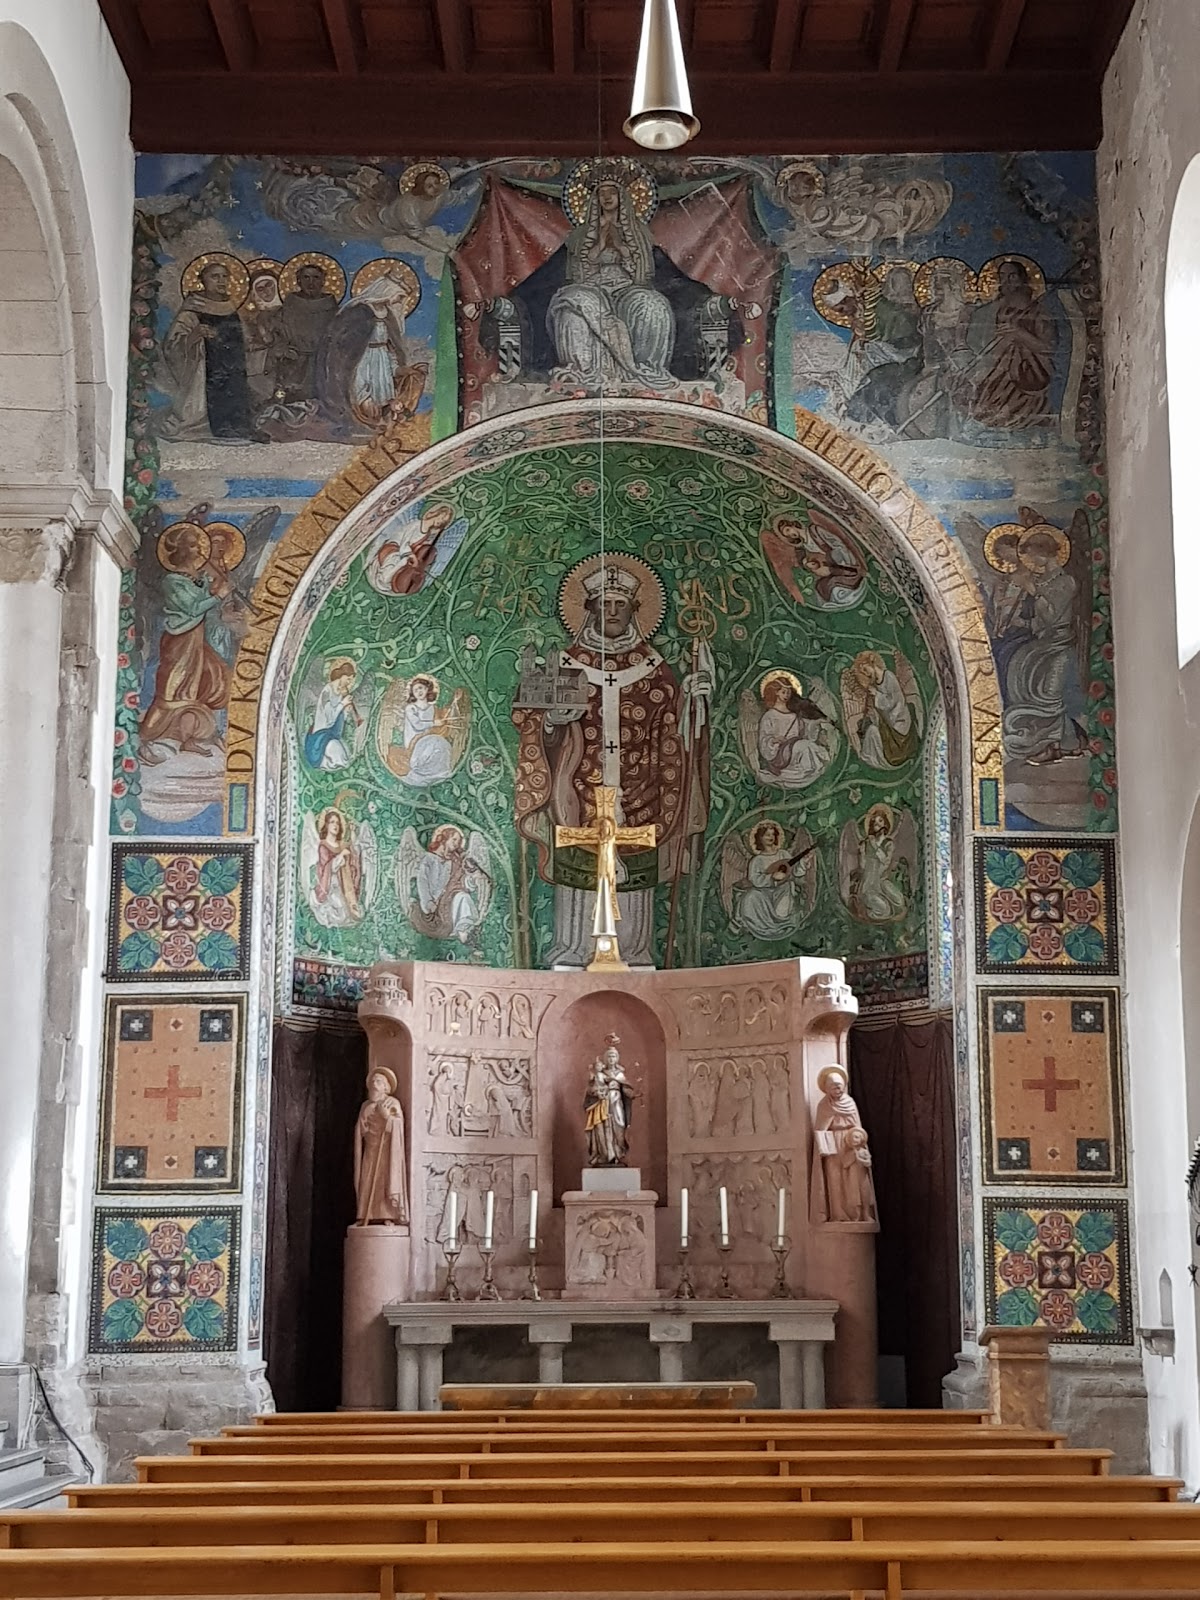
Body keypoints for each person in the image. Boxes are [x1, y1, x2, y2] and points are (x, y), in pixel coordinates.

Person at [513, 560, 711, 967]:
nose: (614, 612)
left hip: (642, 788)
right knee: (579, 858)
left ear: (634, 611)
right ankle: (572, 950)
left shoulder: (654, 668)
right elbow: (533, 723)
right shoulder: (565, 664)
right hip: (578, 787)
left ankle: (635, 952)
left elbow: (673, 725)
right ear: (591, 609)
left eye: (621, 604)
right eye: (605, 604)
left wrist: (692, 700)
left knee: (636, 861)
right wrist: (552, 722)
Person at [548, 178, 675, 390]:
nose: (607, 197)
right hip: (592, 288)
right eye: (602, 193)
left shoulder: (638, 232)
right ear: (594, 199)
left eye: (612, 193)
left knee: (653, 305)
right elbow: (579, 273)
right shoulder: (581, 234)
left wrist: (620, 246)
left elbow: (641, 274)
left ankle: (644, 369)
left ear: (622, 198)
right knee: (571, 304)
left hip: (627, 288)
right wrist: (600, 243)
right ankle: (582, 372)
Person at [140, 523, 234, 761]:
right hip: (179, 640)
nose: (198, 549)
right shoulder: (172, 581)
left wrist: (212, 586)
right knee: (173, 689)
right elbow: (192, 608)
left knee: (210, 680)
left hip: (196, 639)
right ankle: (154, 738)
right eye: (192, 545)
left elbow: (202, 601)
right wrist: (217, 596)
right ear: (180, 550)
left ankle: (191, 737)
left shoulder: (193, 578)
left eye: (198, 544)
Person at [999, 524, 1086, 764]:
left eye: (1032, 554)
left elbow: (1052, 615)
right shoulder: (1043, 580)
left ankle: (1060, 742)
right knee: (1019, 671)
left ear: (1045, 553)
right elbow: (1034, 619)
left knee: (1048, 695)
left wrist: (1033, 591)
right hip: (1043, 642)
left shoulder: (1066, 582)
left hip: (1059, 641)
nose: (1030, 561)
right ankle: (1053, 741)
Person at [317, 267, 426, 435]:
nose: (400, 300)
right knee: (363, 395)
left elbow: (391, 346)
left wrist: (398, 368)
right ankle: (362, 418)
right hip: (361, 359)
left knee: (385, 397)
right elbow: (344, 345)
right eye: (399, 295)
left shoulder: (388, 315)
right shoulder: (359, 312)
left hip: (382, 359)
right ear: (387, 291)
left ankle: (380, 423)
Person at [162, 258, 254, 440]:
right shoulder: (193, 307)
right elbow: (172, 344)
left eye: (224, 276)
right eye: (215, 276)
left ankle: (237, 426)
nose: (221, 281)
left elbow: (242, 338)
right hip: (205, 369)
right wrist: (195, 335)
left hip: (232, 366)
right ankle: (210, 425)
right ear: (203, 280)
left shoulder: (230, 306)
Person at [967, 258, 1058, 432]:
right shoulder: (996, 311)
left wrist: (1020, 334)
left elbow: (1048, 347)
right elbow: (980, 342)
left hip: (1027, 373)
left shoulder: (1038, 312)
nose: (1007, 281)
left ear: (1023, 278)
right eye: (1002, 276)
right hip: (997, 370)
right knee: (984, 399)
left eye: (1012, 276)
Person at [402, 823, 492, 945]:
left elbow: (460, 882)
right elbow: (422, 882)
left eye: (458, 841)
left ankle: (464, 929)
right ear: (444, 838)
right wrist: (428, 902)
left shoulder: (456, 861)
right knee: (460, 897)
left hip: (450, 898)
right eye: (454, 839)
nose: (456, 844)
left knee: (463, 896)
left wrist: (473, 879)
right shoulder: (429, 859)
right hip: (435, 903)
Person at [810, 1066, 877, 1226]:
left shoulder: (850, 1103)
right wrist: (823, 1142)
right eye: (834, 1087)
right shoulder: (824, 1105)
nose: (838, 1090)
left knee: (856, 1180)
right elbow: (821, 1128)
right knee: (835, 1179)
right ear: (827, 1088)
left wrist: (858, 1143)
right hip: (832, 1145)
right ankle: (838, 1214)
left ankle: (860, 1214)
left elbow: (857, 1126)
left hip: (850, 1142)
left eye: (840, 1086)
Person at [732, 820, 814, 939]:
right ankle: (758, 927)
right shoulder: (757, 860)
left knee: (785, 897)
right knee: (750, 897)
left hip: (782, 890)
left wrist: (803, 863)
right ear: (760, 838)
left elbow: (794, 871)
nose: (770, 837)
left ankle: (781, 923)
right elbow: (755, 879)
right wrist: (772, 878)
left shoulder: (783, 854)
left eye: (773, 834)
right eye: (767, 835)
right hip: (763, 892)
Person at [277, 261, 340, 403]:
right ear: (298, 281)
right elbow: (280, 332)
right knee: (293, 401)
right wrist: (285, 349)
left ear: (323, 281)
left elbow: (338, 333)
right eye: (306, 277)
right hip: (295, 363)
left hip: (323, 361)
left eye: (316, 278)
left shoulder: (330, 305)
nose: (311, 282)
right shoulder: (290, 303)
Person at [756, 673, 834, 787]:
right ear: (776, 693)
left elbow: (805, 733)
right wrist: (774, 740)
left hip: (795, 748)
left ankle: (808, 771)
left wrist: (817, 722)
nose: (786, 695)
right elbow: (764, 739)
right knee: (804, 746)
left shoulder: (794, 715)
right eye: (783, 692)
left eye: (788, 692)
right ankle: (808, 770)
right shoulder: (769, 716)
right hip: (781, 754)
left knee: (807, 745)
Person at [369, 504, 464, 596]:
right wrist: (412, 556)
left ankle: (400, 579)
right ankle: (387, 576)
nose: (441, 521)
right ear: (436, 513)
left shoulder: (428, 534)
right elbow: (404, 544)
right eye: (442, 517)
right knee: (387, 577)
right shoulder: (416, 525)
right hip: (394, 549)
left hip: (407, 556)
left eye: (444, 521)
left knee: (410, 565)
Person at [846, 650, 920, 767]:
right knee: (870, 730)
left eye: (865, 669)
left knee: (872, 732)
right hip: (887, 722)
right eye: (863, 672)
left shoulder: (889, 677)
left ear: (872, 663)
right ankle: (868, 759)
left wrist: (877, 694)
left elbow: (896, 702)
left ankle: (873, 759)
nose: (866, 673)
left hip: (898, 722)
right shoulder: (875, 683)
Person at [353, 1068, 407, 1225]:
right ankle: (365, 1214)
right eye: (372, 1081)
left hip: (386, 1149)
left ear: (386, 1087)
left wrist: (386, 1116)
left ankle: (387, 1215)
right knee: (367, 1179)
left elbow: (398, 1124)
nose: (374, 1084)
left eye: (378, 1081)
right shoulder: (366, 1105)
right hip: (371, 1148)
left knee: (384, 1180)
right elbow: (361, 1128)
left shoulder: (392, 1103)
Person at [388, 675, 460, 786]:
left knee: (442, 744)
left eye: (421, 688)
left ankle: (439, 773)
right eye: (415, 690)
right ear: (412, 693)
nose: (419, 692)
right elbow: (418, 725)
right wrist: (433, 723)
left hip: (429, 738)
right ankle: (423, 772)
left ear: (427, 689)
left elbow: (445, 718)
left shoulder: (432, 708)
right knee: (436, 743)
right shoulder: (411, 708)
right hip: (415, 741)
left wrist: (455, 701)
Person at [583, 1035, 636, 1167]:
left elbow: (626, 1090)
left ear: (617, 1058)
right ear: (605, 1058)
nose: (611, 1059)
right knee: (604, 1126)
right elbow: (591, 1089)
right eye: (609, 1056)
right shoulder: (600, 1074)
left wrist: (632, 1094)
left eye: (614, 1056)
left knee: (619, 1125)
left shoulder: (620, 1074)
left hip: (617, 1102)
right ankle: (606, 1155)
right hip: (604, 1103)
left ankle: (619, 1152)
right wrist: (597, 1091)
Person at [850, 805, 908, 921]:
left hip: (881, 880)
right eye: (875, 822)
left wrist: (875, 846)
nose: (877, 824)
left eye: (880, 821)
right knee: (885, 910)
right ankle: (864, 910)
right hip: (868, 884)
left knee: (899, 902)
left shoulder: (888, 844)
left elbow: (885, 862)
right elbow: (863, 866)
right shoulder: (866, 843)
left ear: (885, 823)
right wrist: (862, 853)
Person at [303, 658, 362, 770]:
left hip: (330, 734)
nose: (349, 683)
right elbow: (329, 718)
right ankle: (326, 762)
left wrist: (345, 711)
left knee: (343, 755)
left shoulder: (339, 694)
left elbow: (337, 719)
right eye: (348, 679)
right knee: (338, 752)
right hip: (320, 736)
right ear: (342, 676)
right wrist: (342, 704)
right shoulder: (327, 691)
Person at [311, 807, 363, 926]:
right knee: (339, 911)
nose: (335, 825)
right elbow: (326, 867)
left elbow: (354, 855)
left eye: (338, 823)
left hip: (344, 884)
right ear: (326, 825)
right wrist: (340, 856)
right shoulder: (323, 846)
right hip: (331, 884)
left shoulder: (342, 844)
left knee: (346, 911)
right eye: (332, 822)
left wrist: (352, 833)